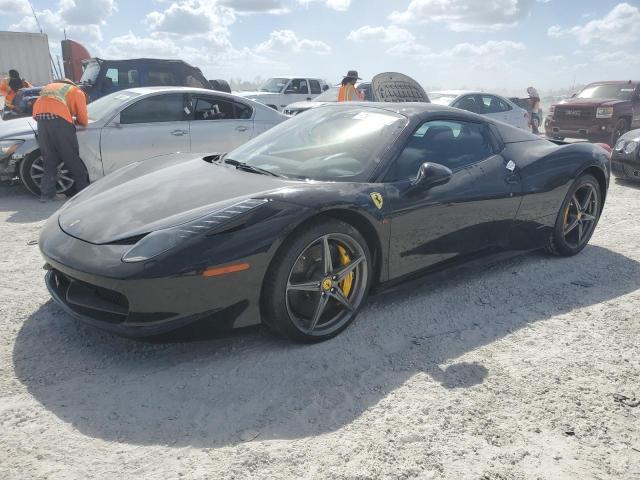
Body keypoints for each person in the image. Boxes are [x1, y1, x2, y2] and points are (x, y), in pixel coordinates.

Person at [32, 79, 89, 202]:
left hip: (41, 121)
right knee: (71, 156)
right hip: (59, 121)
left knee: (49, 158)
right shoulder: (77, 91)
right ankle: (83, 192)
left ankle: (47, 195)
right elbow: (83, 116)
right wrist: (81, 122)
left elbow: (46, 105)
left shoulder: (51, 86)